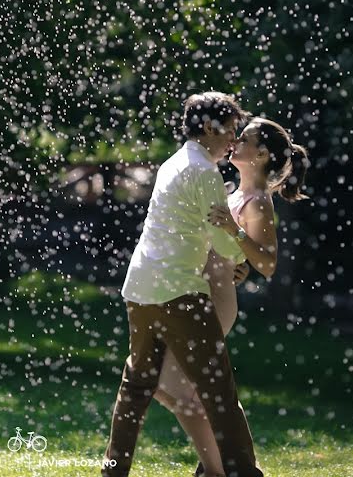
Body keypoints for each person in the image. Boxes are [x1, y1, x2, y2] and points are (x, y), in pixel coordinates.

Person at [101, 92, 264, 477]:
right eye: (230, 132)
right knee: (218, 391)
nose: (233, 142)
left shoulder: (174, 163)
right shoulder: (204, 170)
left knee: (137, 385)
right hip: (180, 293)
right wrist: (243, 260)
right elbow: (222, 238)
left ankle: (113, 470)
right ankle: (243, 472)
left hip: (140, 289)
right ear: (209, 127)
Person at [153, 117, 310, 477]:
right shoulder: (230, 190)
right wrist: (233, 259)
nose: (235, 140)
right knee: (202, 389)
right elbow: (230, 252)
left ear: (263, 154)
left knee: (170, 385)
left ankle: (221, 467)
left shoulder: (258, 202)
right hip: (196, 293)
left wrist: (234, 233)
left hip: (215, 302)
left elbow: (267, 263)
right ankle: (230, 465)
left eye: (246, 137)